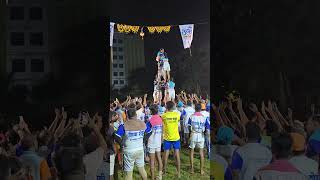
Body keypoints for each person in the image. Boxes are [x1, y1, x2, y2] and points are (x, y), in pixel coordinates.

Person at [115, 108, 152, 180]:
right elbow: (150, 131)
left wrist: (121, 143)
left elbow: (116, 136)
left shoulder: (124, 125)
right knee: (142, 169)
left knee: (128, 173)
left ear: (127, 115)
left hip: (129, 150)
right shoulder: (142, 123)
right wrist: (144, 139)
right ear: (135, 115)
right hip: (140, 149)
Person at [161, 101, 181, 178]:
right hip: (176, 137)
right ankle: (178, 173)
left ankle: (164, 171)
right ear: (173, 107)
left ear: (166, 107)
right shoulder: (177, 115)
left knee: (166, 155)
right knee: (177, 155)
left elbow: (163, 125)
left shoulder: (164, 116)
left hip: (167, 137)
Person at [188, 103, 209, 175]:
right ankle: (201, 170)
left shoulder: (191, 116)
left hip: (193, 134)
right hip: (201, 135)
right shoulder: (204, 117)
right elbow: (207, 127)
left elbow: (188, 126)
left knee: (191, 152)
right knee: (201, 153)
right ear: (200, 109)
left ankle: (192, 169)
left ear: (195, 108)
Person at [146, 105, 163, 180]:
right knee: (159, 158)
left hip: (151, 141)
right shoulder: (160, 118)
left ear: (151, 111)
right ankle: (159, 176)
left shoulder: (150, 119)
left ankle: (153, 177)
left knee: (152, 161)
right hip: (158, 141)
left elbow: (147, 131)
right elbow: (162, 130)